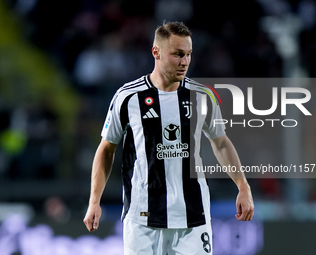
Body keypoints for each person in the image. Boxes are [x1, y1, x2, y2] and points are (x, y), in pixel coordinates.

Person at [83, 21, 254, 254]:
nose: (184, 62)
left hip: (193, 217)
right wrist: (95, 201)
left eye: (188, 55)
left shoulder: (202, 96)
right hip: (142, 218)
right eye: (177, 54)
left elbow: (221, 142)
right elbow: (106, 149)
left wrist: (243, 186)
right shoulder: (128, 97)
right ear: (156, 52)